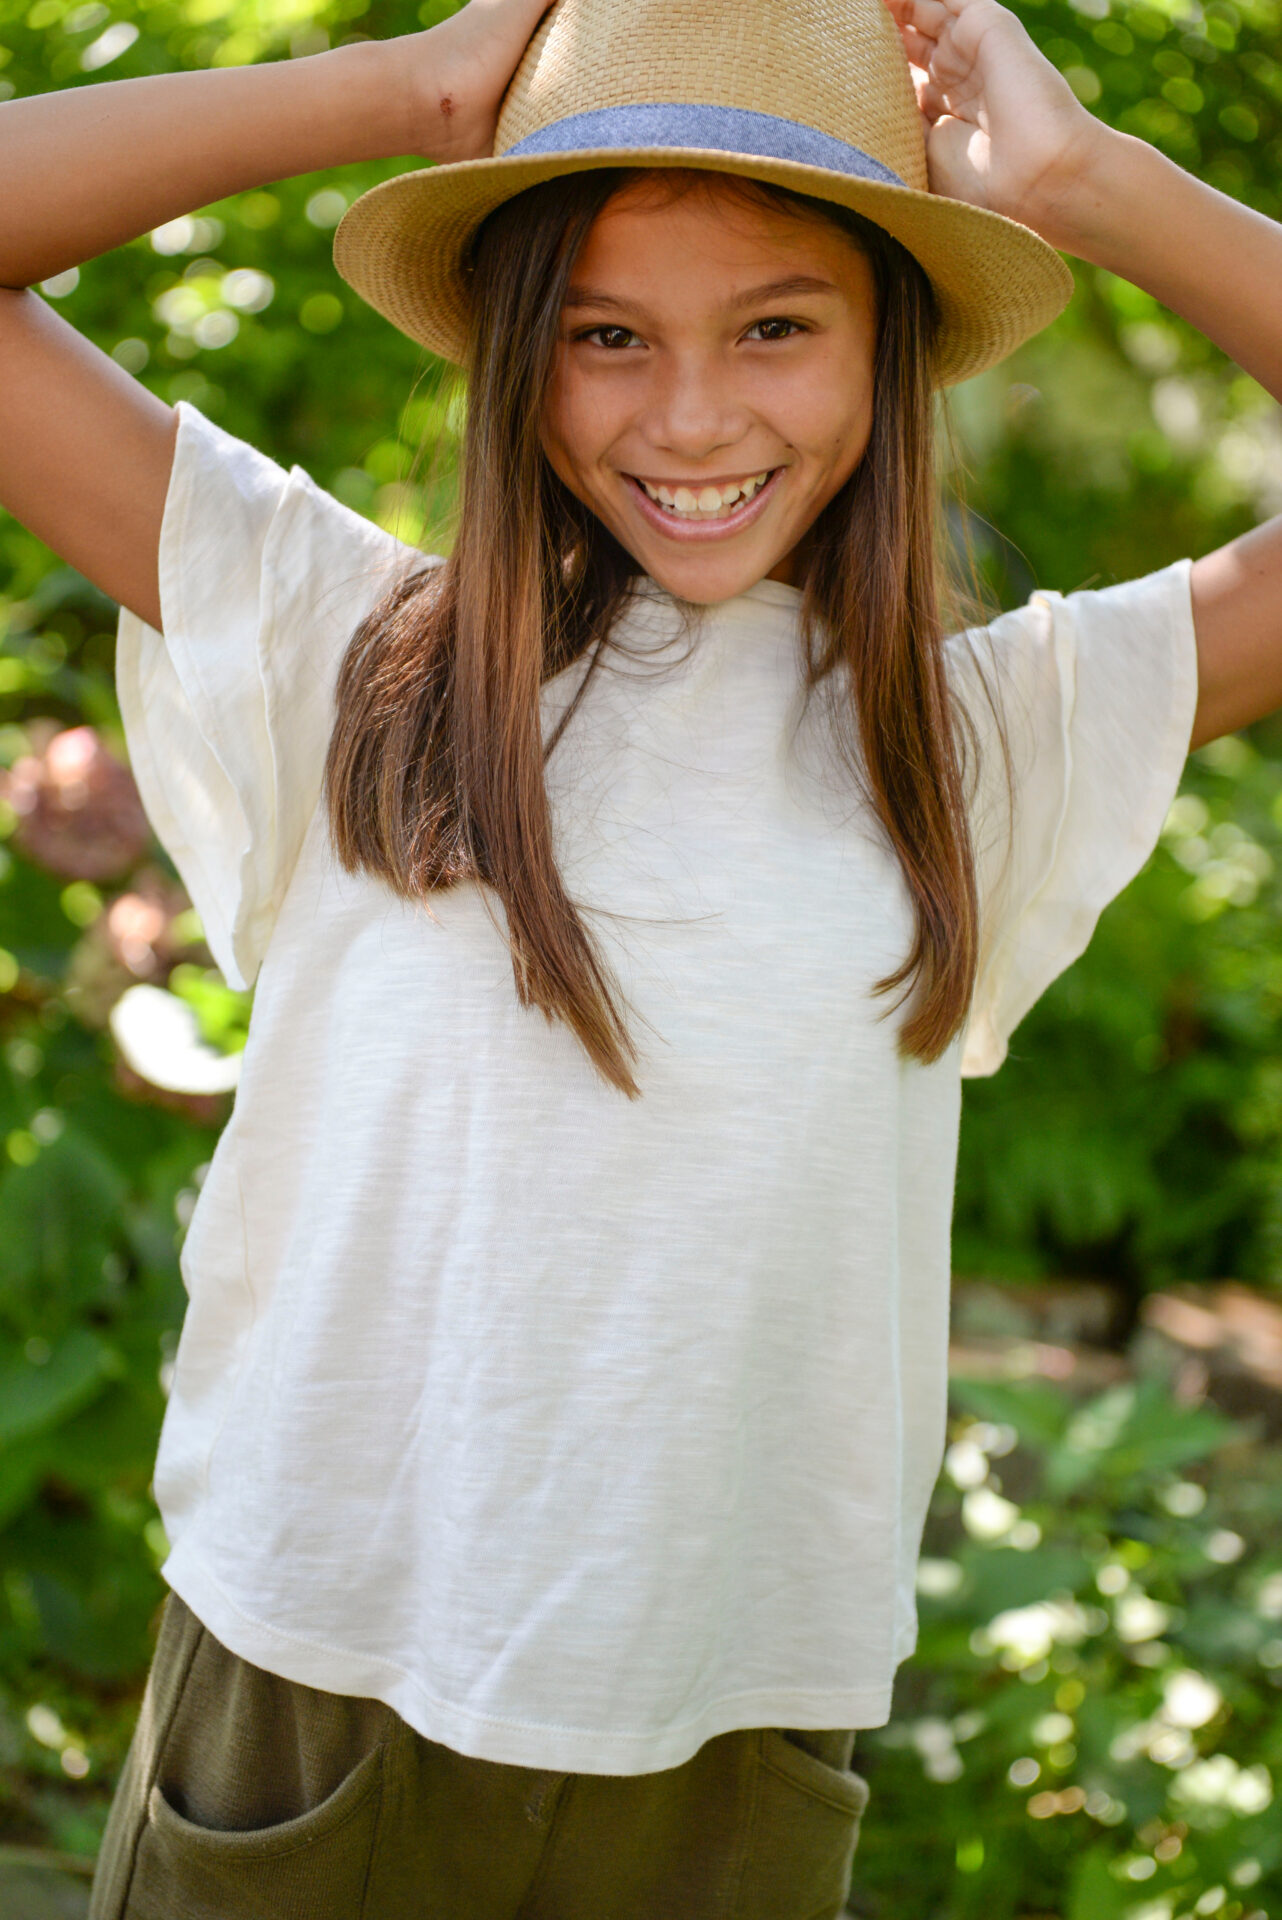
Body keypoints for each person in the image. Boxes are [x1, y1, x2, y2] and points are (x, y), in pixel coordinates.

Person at [3, 0, 1282, 1911]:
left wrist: (1094, 185)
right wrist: (393, 95)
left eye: (776, 325)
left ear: (890, 350)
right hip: (309, 1689)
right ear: (519, 352)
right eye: (606, 334)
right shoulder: (341, 636)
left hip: (729, 1745)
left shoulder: (986, 739)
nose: (688, 419)